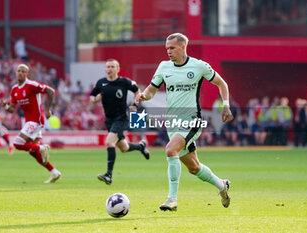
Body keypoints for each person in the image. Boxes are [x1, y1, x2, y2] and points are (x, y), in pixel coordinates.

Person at [135, 33, 233, 211]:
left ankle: (172, 200)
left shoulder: (199, 66)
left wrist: (226, 105)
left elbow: (222, 84)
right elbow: (151, 90)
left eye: (172, 48)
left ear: (183, 47)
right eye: (167, 48)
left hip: (192, 119)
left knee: (170, 150)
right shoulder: (164, 67)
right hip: (173, 123)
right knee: (194, 168)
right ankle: (222, 186)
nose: (169, 52)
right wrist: (143, 96)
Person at [90, 59, 150, 185]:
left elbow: (136, 90)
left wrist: (135, 103)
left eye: (113, 66)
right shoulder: (101, 83)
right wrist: (95, 99)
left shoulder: (124, 82)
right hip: (109, 120)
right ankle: (141, 146)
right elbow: (92, 96)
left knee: (109, 142)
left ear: (118, 69)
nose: (110, 69)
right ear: (105, 69)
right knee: (124, 147)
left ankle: (108, 175)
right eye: (108, 66)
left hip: (121, 118)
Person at [1, 64, 61, 183]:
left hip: (36, 120)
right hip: (29, 121)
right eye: (19, 71)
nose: (20, 73)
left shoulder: (32, 85)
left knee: (17, 143)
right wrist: (5, 106)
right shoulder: (14, 89)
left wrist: (48, 108)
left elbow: (51, 91)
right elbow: (12, 109)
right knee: (32, 151)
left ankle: (43, 147)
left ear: (27, 74)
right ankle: (54, 172)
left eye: (23, 71)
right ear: (16, 72)